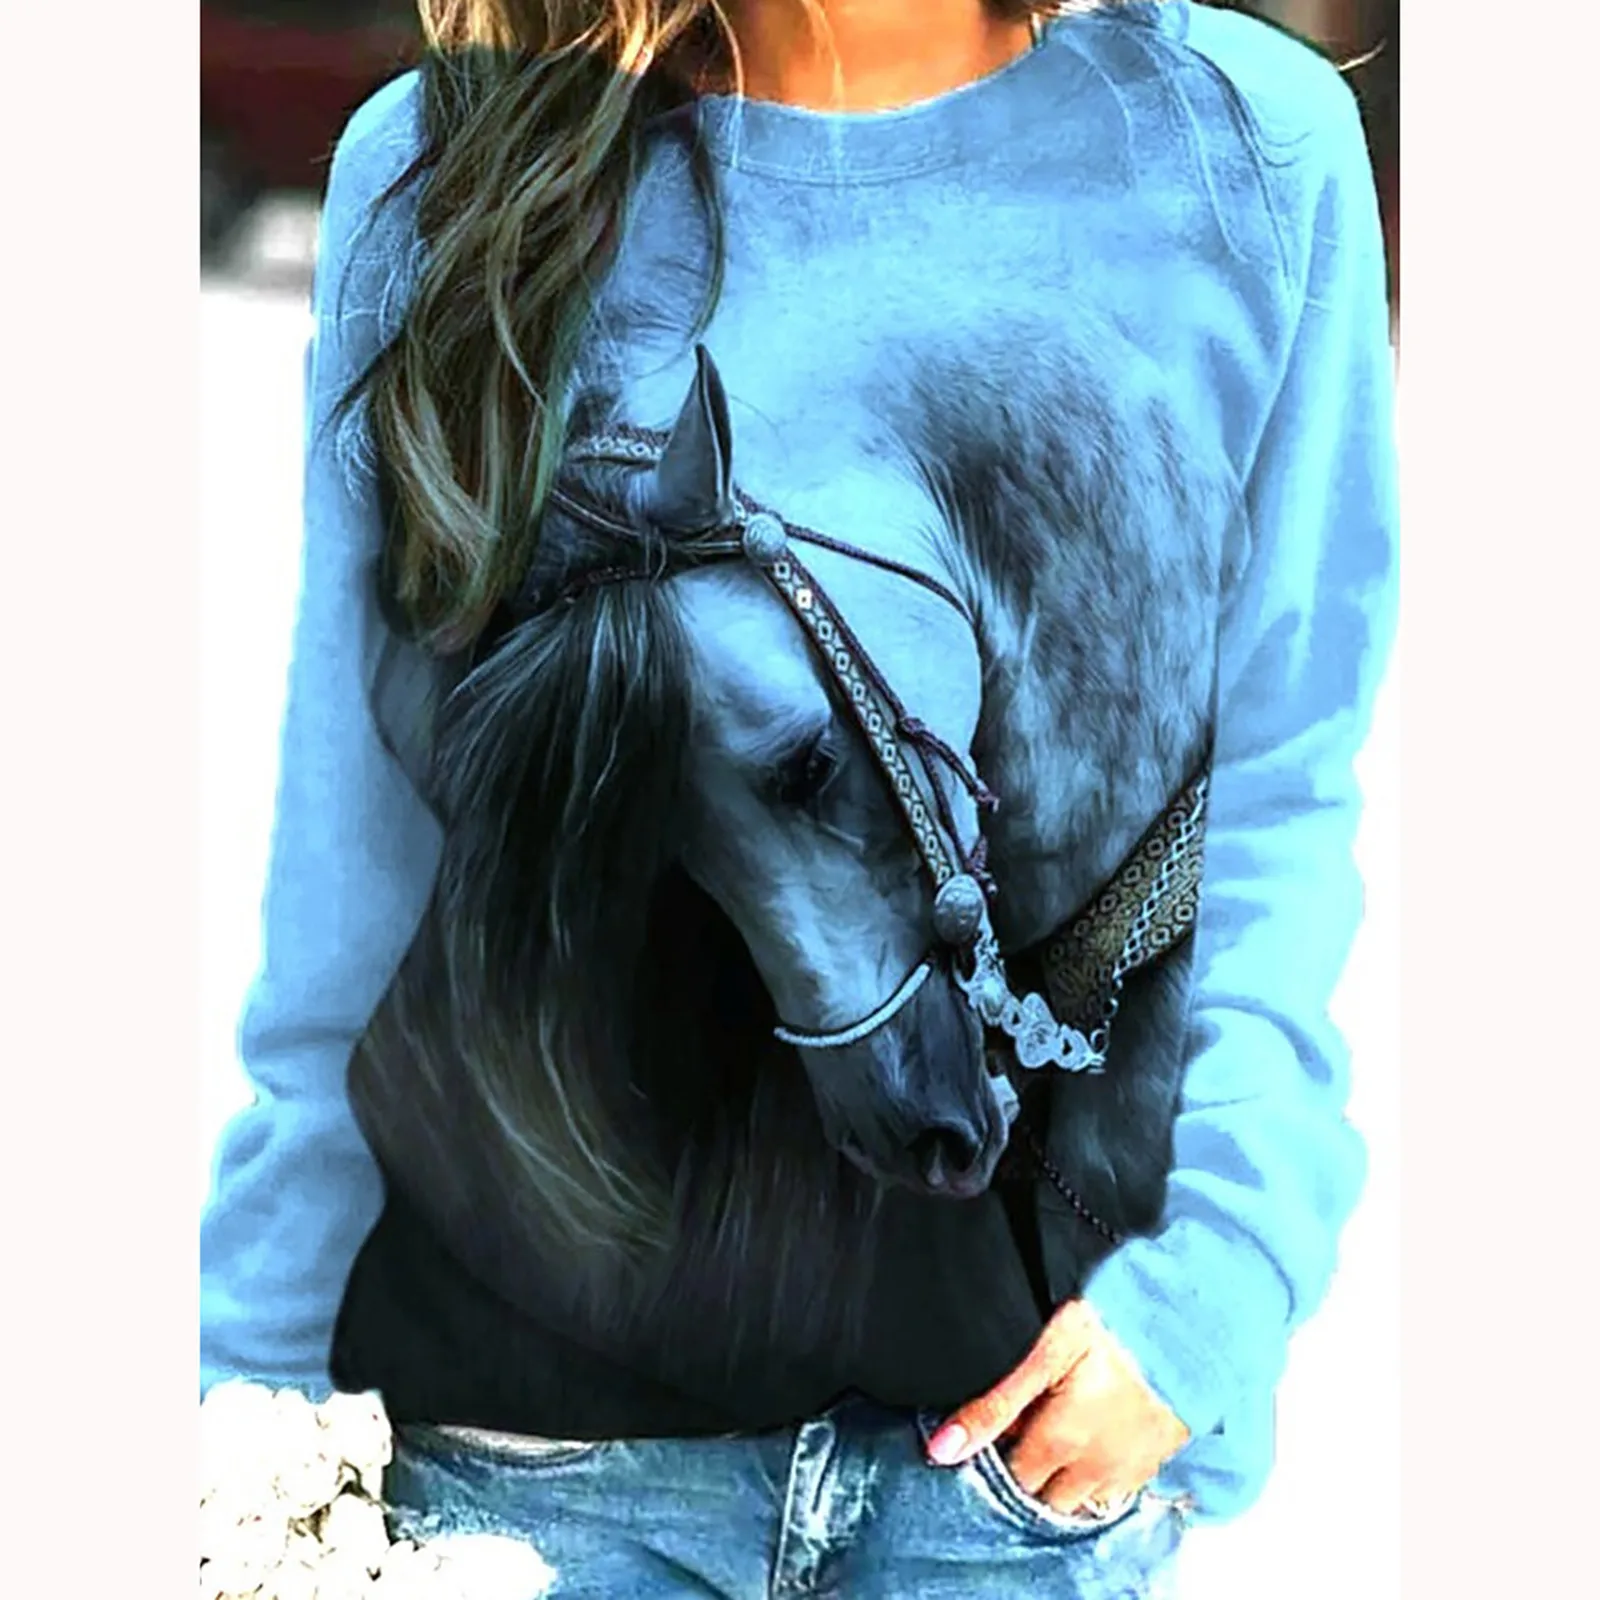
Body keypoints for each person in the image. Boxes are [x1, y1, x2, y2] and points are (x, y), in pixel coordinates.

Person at [198, 1, 1399, 1594]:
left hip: (1008, 1484)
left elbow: (1280, 790)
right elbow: (352, 871)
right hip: (513, 1476)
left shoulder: (1240, 146)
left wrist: (1219, 1288)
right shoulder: (443, 166)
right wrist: (255, 1397)